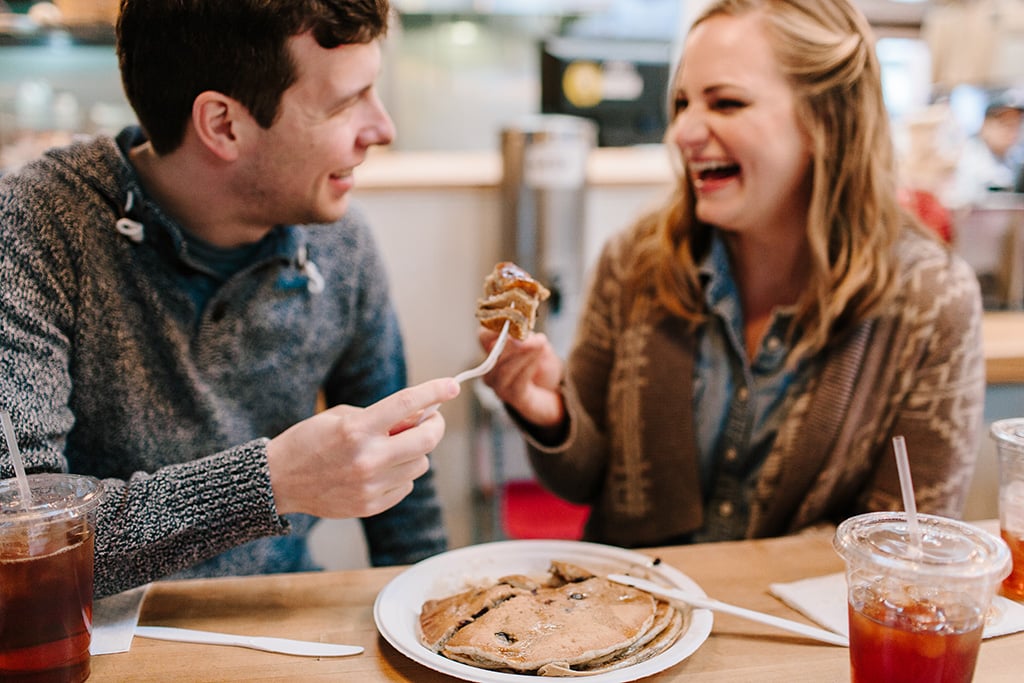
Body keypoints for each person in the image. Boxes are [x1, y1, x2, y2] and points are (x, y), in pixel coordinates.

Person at [480, 0, 985, 548]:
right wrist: (549, 413)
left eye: (726, 102)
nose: (683, 132)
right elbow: (582, 479)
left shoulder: (933, 300)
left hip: (807, 631)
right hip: (634, 620)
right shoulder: (636, 261)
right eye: (682, 103)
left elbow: (910, 545)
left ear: (826, 121)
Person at [0, 0, 460, 599]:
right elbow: (18, 532)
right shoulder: (37, 224)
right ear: (222, 125)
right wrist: (269, 483)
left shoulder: (341, 243)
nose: (383, 129)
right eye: (347, 102)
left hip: (284, 619)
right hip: (97, 635)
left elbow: (408, 509)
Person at [945, 91, 1024, 209]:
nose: (1011, 131)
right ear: (985, 125)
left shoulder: (1015, 159)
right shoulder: (966, 157)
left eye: (1015, 124)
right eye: (1004, 124)